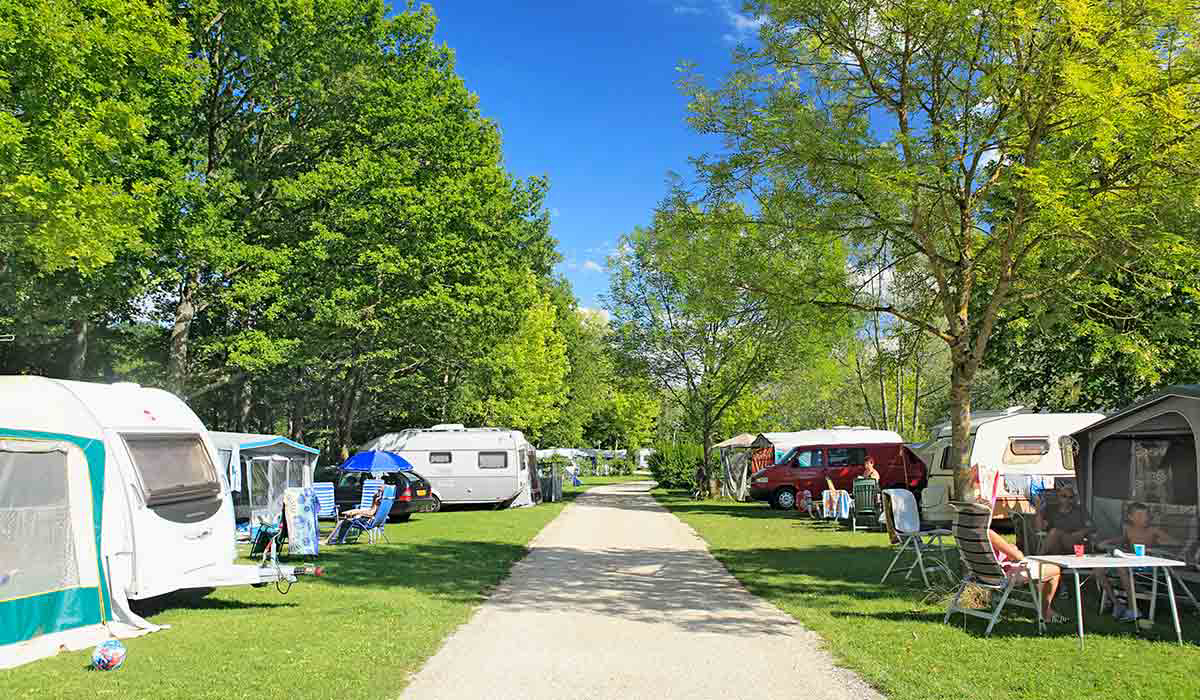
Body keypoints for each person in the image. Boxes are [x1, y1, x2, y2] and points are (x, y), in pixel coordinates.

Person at [1095, 502, 1177, 622]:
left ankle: (1133, 609)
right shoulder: (1129, 530)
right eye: (1139, 516)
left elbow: (1175, 542)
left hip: (1147, 566)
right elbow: (1120, 540)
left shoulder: (1153, 531)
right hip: (1131, 563)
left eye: (1146, 515)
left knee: (1121, 568)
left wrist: (1159, 543)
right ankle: (1117, 603)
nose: (1144, 518)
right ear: (1130, 518)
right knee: (1098, 569)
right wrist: (1106, 542)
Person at [987, 528, 1065, 623]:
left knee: (1037, 571)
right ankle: (1045, 613)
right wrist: (1014, 551)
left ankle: (1042, 607)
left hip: (980, 575)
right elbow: (1017, 557)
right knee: (1054, 570)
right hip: (1003, 576)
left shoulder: (967, 532)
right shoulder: (988, 533)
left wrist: (1008, 549)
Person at [1036, 484, 1091, 554]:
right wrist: (1038, 511)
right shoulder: (1051, 510)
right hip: (1057, 544)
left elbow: (1091, 527)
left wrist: (1081, 532)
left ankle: (1039, 556)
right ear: (1059, 497)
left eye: (1070, 497)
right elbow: (1039, 528)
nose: (1067, 500)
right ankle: (1045, 558)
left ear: (1074, 498)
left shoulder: (1080, 510)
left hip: (1074, 542)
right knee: (1055, 536)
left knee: (1055, 532)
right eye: (1064, 496)